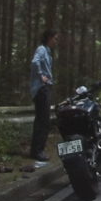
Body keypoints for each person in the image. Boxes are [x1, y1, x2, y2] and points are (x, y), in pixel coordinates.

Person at [29, 29, 58, 162]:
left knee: (42, 120)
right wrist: (42, 76)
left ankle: (36, 150)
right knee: (43, 121)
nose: (55, 41)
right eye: (55, 39)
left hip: (44, 88)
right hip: (41, 88)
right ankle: (37, 151)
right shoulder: (41, 49)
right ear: (49, 38)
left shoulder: (48, 51)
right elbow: (35, 62)